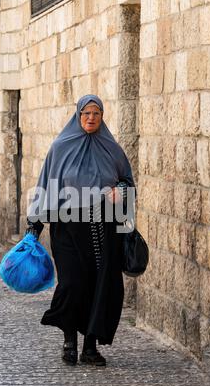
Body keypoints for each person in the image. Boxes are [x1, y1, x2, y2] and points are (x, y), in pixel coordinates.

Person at [26, 95, 136, 367]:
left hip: (103, 231)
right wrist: (34, 227)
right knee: (72, 284)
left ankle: (89, 347)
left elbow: (127, 183)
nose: (91, 118)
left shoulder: (112, 148)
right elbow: (46, 185)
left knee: (99, 287)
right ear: (78, 115)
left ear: (102, 116)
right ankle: (69, 341)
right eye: (86, 113)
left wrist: (120, 192)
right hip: (67, 229)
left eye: (96, 113)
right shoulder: (61, 147)